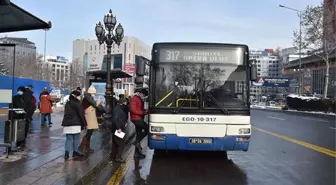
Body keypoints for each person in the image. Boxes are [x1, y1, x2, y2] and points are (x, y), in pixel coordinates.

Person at [61, 90, 86, 160]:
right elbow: (81, 114)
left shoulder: (67, 103)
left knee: (68, 139)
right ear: (76, 96)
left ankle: (66, 154)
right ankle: (75, 152)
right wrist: (84, 123)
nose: (80, 97)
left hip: (67, 123)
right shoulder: (78, 103)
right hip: (76, 123)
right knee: (76, 138)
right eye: (79, 96)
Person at [79, 85, 101, 153]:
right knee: (89, 133)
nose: (94, 94)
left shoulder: (87, 97)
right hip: (89, 117)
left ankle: (87, 147)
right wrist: (99, 101)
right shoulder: (88, 97)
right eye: (94, 93)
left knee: (90, 133)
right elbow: (95, 104)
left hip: (89, 116)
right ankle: (81, 147)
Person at [130, 88, 148, 159]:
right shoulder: (134, 99)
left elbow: (139, 108)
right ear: (140, 93)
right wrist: (143, 112)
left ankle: (136, 153)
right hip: (136, 119)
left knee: (138, 134)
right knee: (147, 129)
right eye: (144, 95)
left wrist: (145, 111)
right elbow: (133, 110)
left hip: (138, 118)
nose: (144, 96)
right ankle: (136, 142)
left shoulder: (138, 99)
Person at [111, 98, 128, 163]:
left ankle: (114, 156)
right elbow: (115, 119)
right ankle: (118, 157)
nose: (126, 105)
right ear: (122, 103)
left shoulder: (117, 108)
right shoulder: (117, 110)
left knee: (115, 143)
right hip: (118, 129)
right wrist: (118, 128)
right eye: (125, 103)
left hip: (117, 128)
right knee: (121, 143)